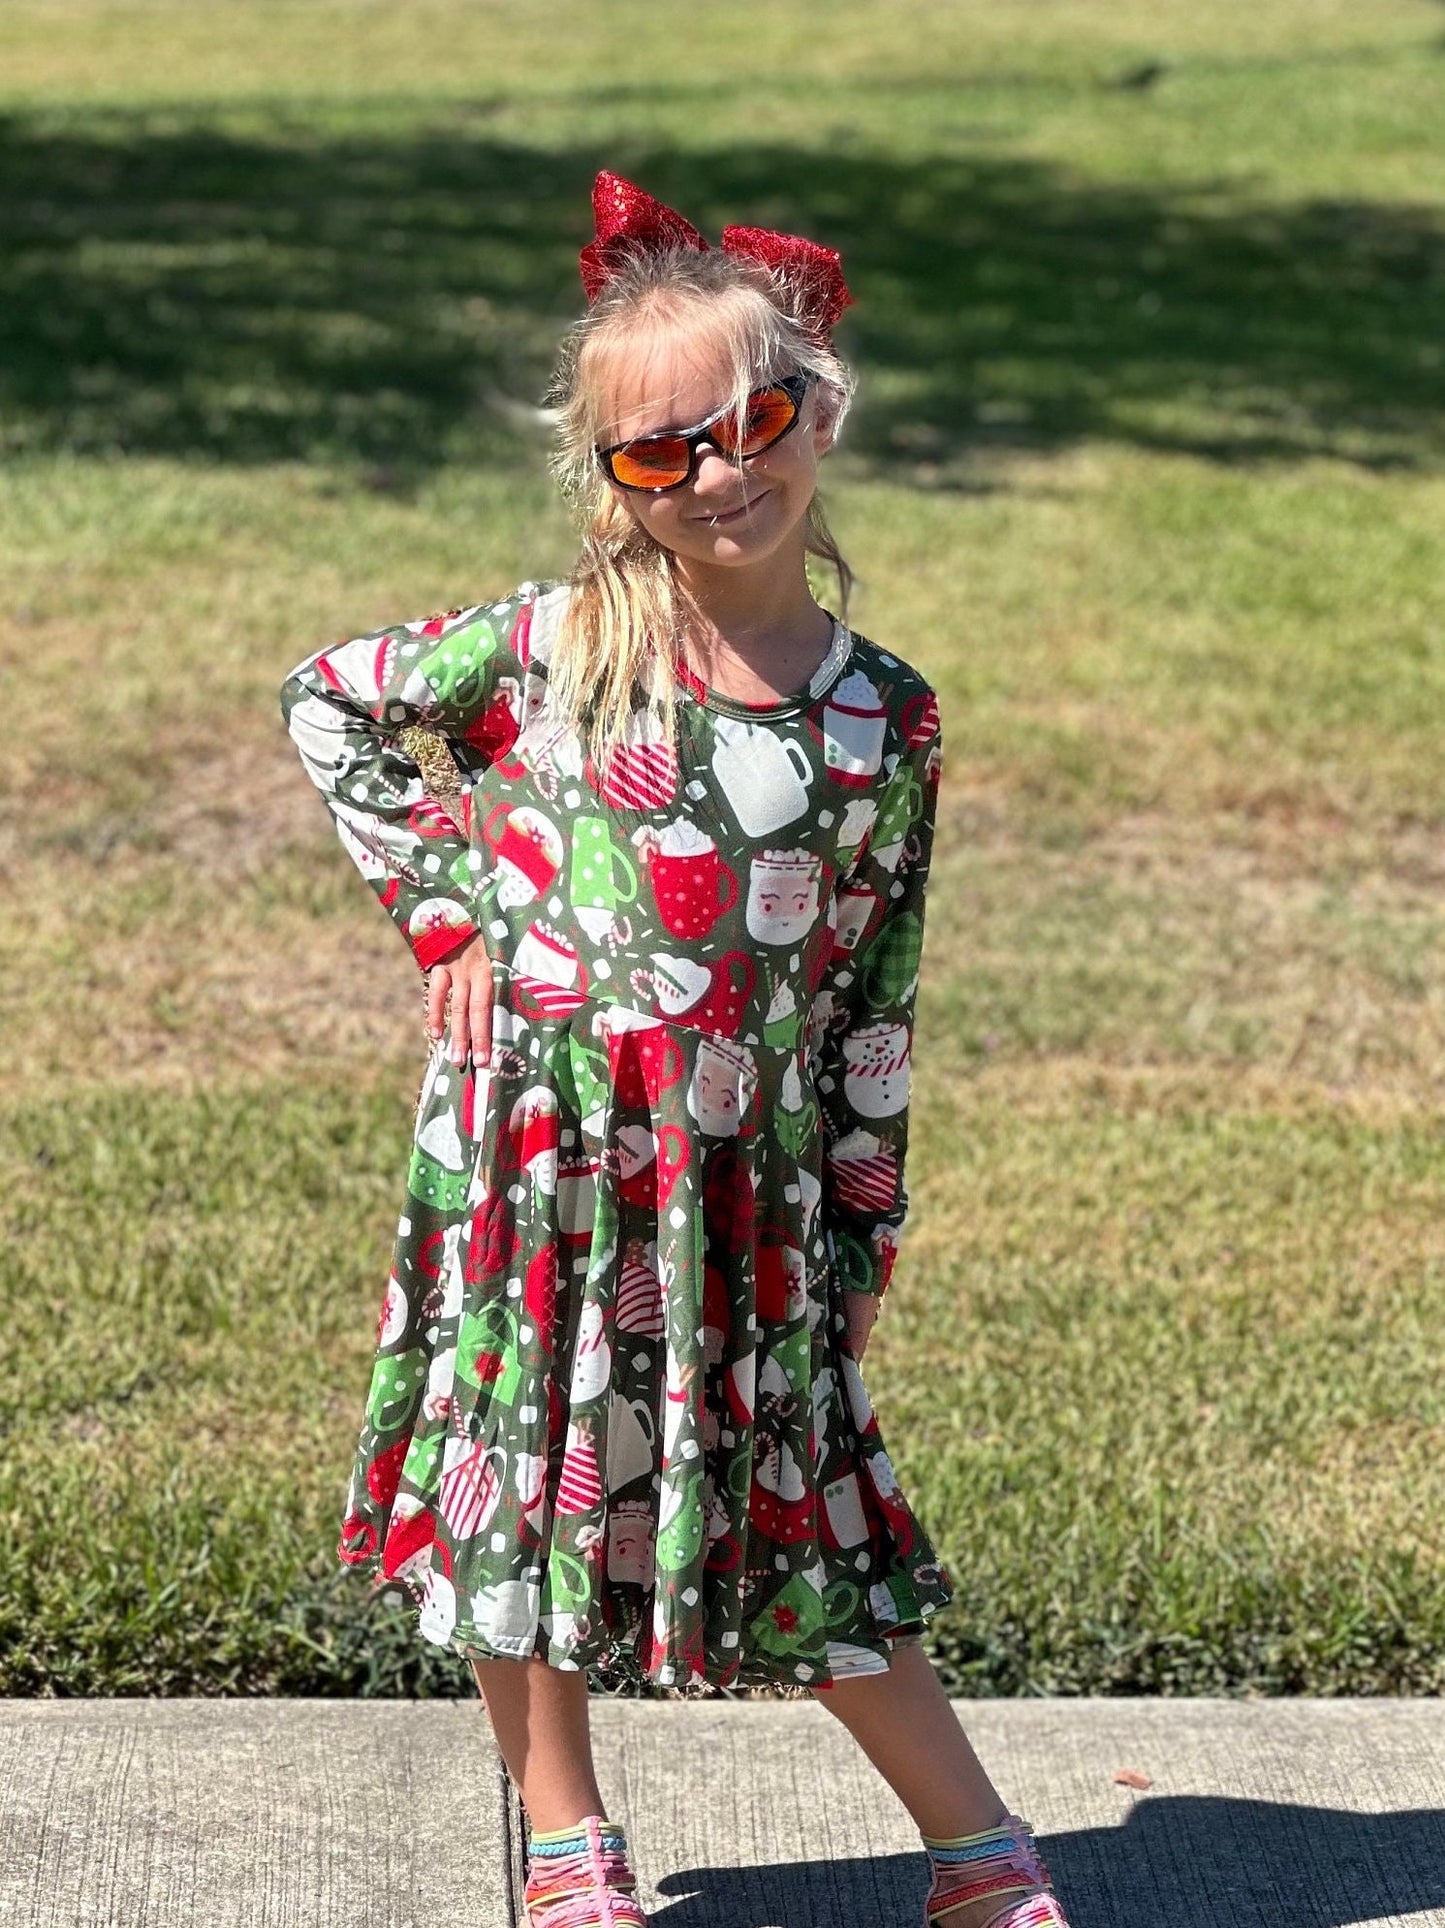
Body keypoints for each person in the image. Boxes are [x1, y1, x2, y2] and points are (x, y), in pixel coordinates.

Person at [280, 170, 1072, 1928]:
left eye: (754, 421)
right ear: (612, 481)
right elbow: (335, 699)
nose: (720, 473)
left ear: (819, 414)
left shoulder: (885, 715)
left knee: (803, 1494)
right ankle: (567, 1842)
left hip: (745, 1180)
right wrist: (448, 912)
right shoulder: (553, 649)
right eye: (662, 454)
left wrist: (862, 1220)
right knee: (518, 1486)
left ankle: (976, 1854)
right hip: (537, 1161)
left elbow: (874, 994)